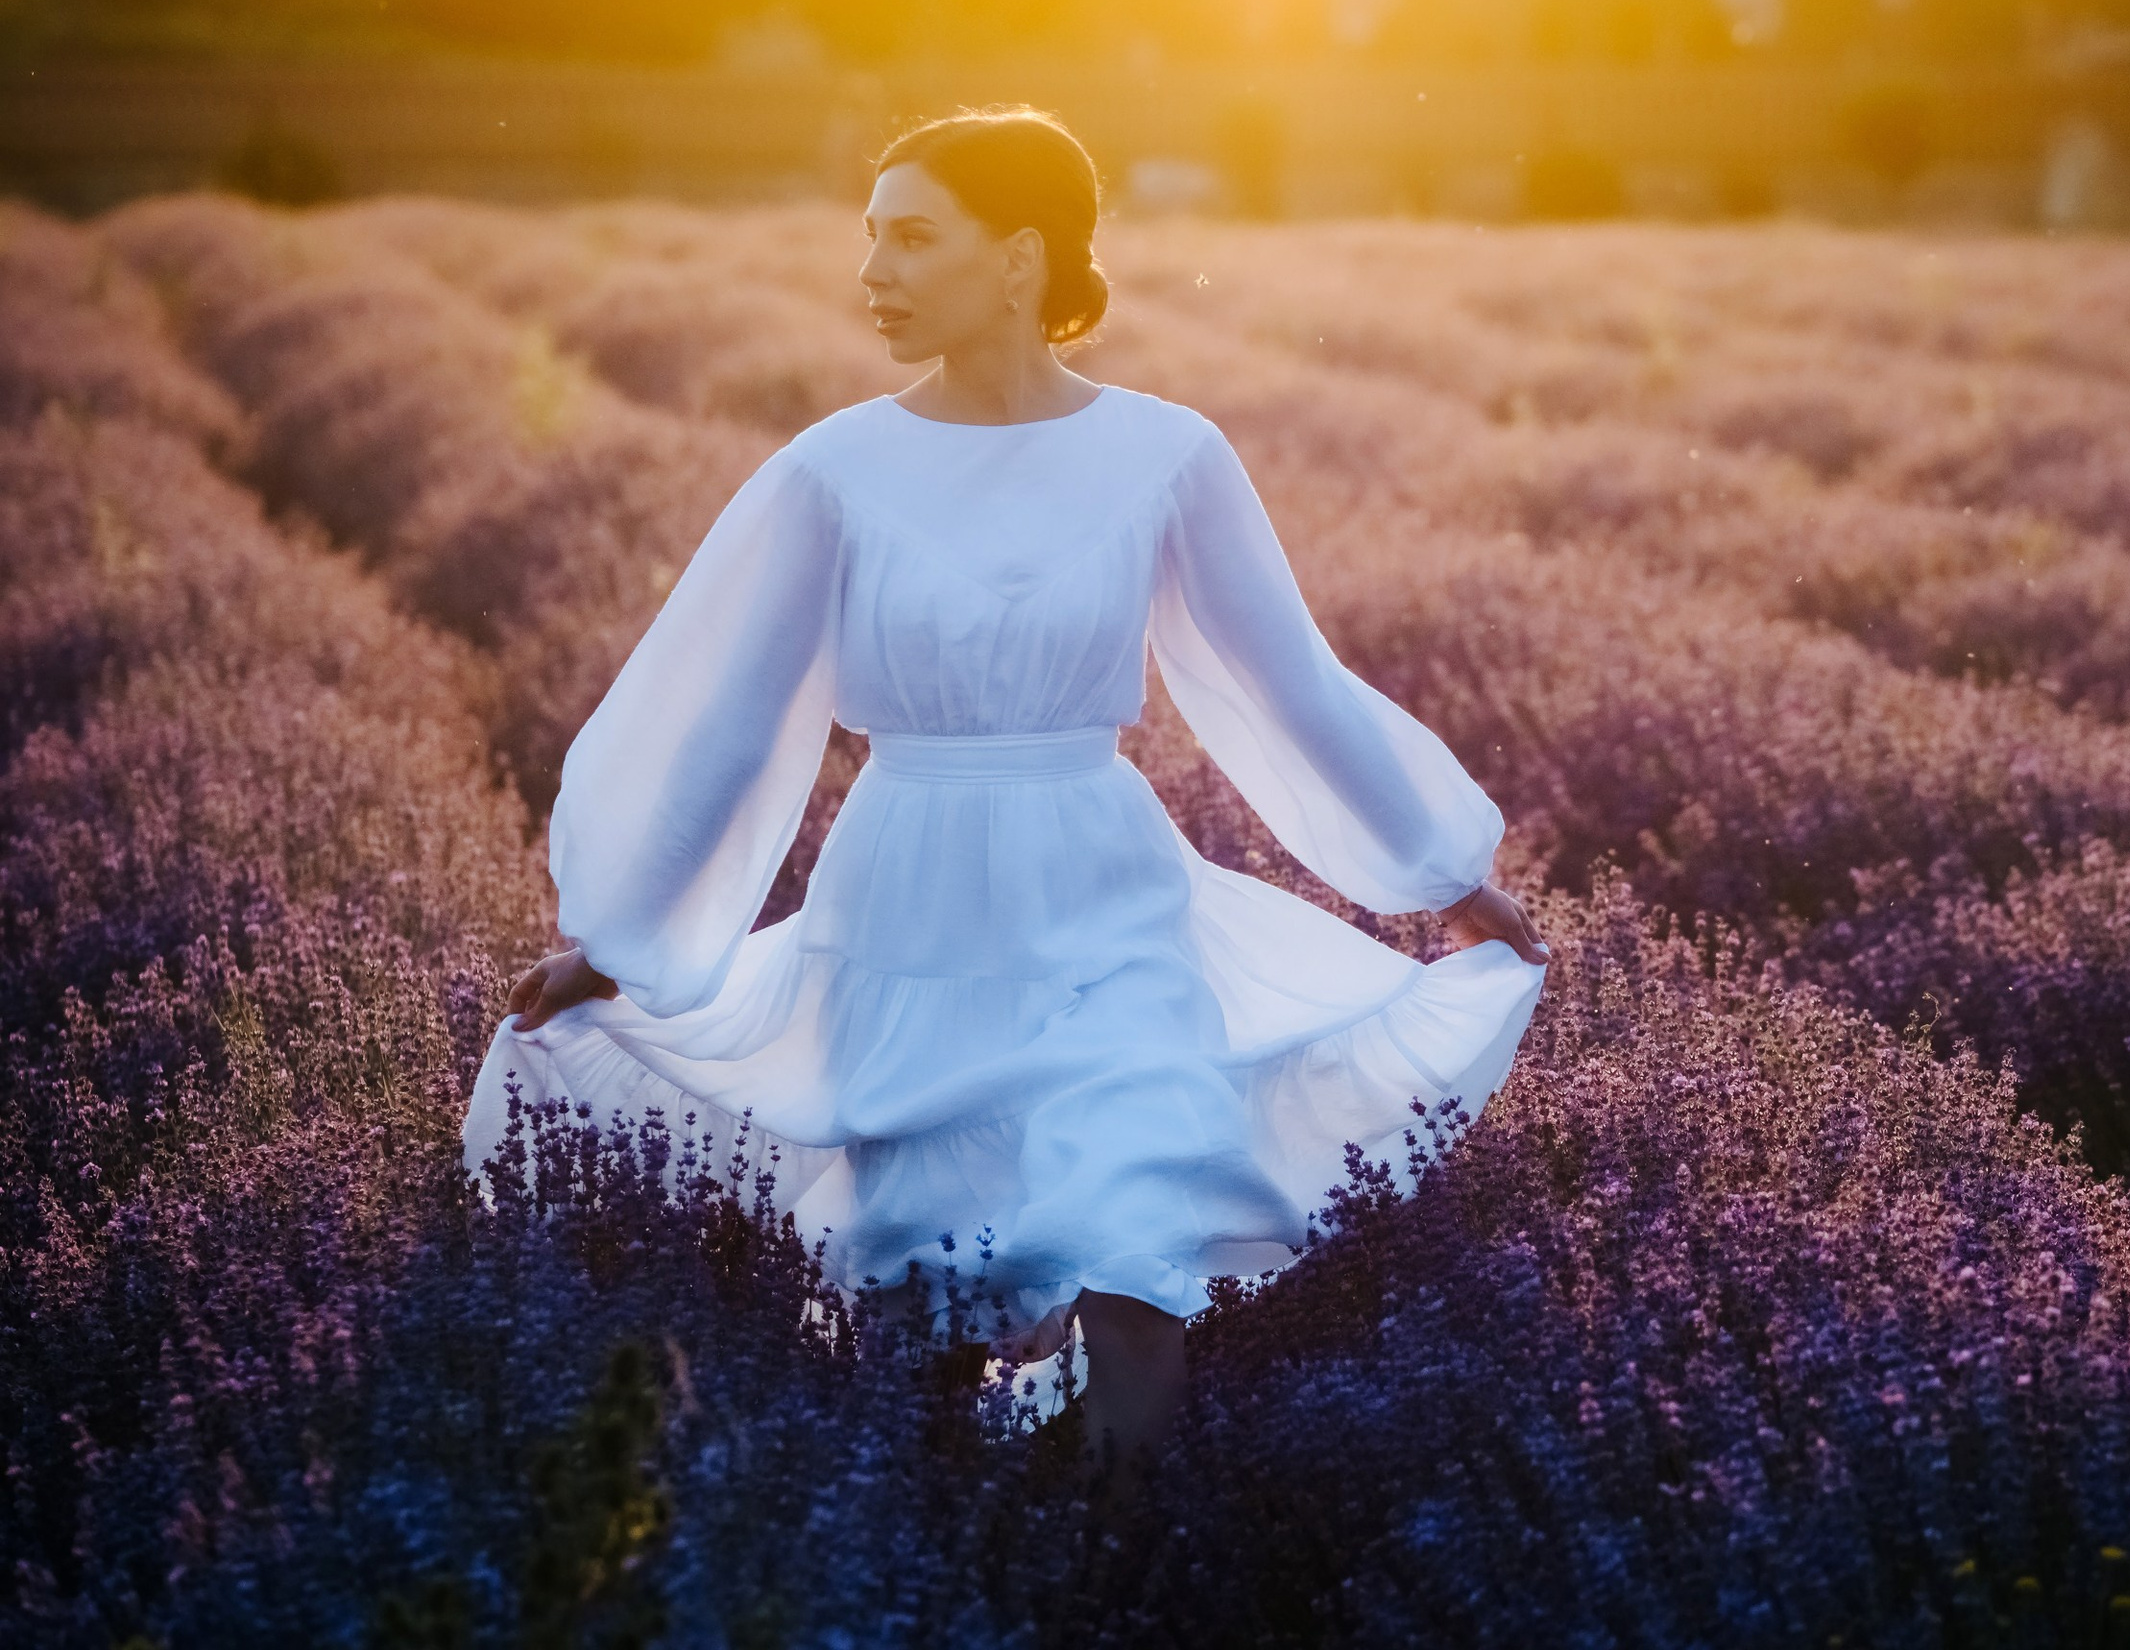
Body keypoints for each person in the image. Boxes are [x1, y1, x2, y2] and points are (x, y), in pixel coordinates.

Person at [463, 106, 1550, 1495]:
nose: (872, 272)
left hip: (1104, 884)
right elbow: (735, 740)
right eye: (868, 239)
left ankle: (1119, 1581)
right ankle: (950, 1567)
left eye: (912, 237)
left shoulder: (1168, 452)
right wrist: (615, 946)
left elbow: (1292, 692)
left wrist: (1443, 872)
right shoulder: (831, 471)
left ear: (1023, 256)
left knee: (1135, 1232)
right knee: (924, 1281)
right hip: (912, 895)